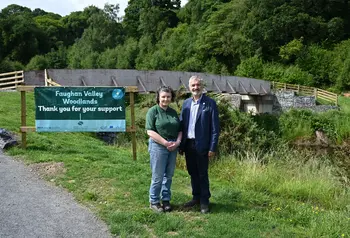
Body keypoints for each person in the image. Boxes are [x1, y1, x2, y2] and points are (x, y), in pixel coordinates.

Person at [179, 75, 220, 214]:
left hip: (202, 145)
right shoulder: (186, 103)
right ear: (189, 87)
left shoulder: (210, 103)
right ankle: (195, 197)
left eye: (198, 85)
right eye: (193, 85)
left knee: (202, 173)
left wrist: (212, 147)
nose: (196, 87)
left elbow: (215, 128)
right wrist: (180, 144)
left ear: (202, 86)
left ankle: (204, 201)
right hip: (189, 144)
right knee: (192, 172)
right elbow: (182, 125)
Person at [145, 86, 182, 213]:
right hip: (158, 146)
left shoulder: (173, 112)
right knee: (158, 176)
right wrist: (165, 143)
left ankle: (165, 200)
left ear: (171, 98)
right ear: (158, 98)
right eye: (163, 97)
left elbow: (180, 129)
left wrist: (177, 142)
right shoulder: (153, 111)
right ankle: (154, 201)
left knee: (169, 175)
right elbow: (150, 131)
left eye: (168, 96)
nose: (166, 99)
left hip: (173, 146)